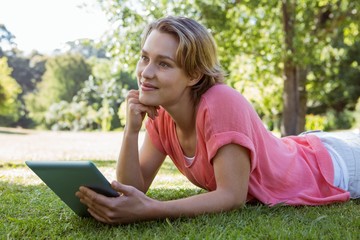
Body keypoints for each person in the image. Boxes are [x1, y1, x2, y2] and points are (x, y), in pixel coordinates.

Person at [76, 16, 360, 224]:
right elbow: (133, 191)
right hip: (308, 148)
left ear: (194, 75)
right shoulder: (161, 116)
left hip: (334, 166)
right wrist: (131, 131)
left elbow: (231, 196)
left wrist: (152, 210)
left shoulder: (220, 101)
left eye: (164, 64)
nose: (146, 73)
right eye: (144, 58)